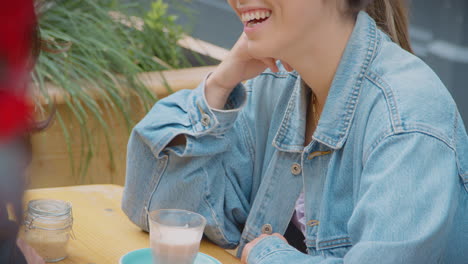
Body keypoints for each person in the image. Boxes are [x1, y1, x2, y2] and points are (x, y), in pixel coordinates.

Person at [123, 0, 468, 263]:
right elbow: (156, 209)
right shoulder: (275, 85)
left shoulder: (408, 120)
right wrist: (221, 82)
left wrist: (269, 254)